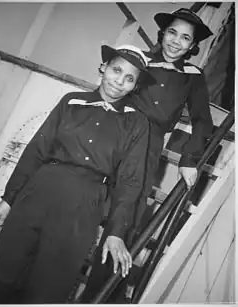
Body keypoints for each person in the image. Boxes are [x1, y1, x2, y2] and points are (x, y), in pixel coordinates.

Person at [0, 44, 154, 304]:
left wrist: (115, 231)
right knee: (1, 272)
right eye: (116, 70)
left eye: (129, 78)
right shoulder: (71, 101)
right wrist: (9, 199)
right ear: (104, 67)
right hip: (40, 189)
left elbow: (130, 181)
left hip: (84, 205)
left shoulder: (137, 123)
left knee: (48, 287)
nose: (119, 81)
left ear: (135, 87)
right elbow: (36, 151)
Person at [80, 8, 214, 303]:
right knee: (80, 207)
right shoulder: (137, 60)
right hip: (113, 136)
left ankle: (99, 298)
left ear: (193, 46)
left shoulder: (192, 76)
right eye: (172, 33)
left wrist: (189, 161)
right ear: (162, 34)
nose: (176, 42)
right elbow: (107, 93)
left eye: (185, 38)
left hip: (148, 149)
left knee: (124, 226)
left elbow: (203, 121)